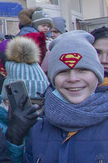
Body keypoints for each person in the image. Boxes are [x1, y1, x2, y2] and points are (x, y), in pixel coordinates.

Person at [16, 31, 108, 162]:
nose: (73, 79)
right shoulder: (39, 128)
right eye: (63, 72)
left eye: (82, 70)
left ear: (97, 75)